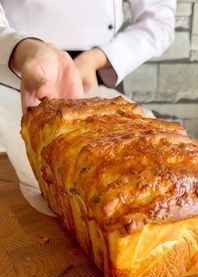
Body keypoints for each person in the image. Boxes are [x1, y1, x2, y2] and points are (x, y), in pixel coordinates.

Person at [0, 0, 176, 213]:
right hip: (15, 65)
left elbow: (159, 19)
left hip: (98, 71)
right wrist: (21, 49)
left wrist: (98, 58)